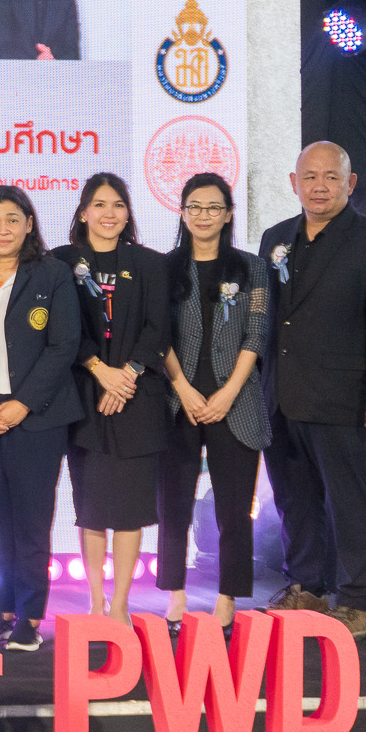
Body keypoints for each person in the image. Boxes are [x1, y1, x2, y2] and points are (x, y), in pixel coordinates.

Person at [258, 141, 366, 641]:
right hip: (282, 397)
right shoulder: (276, 238)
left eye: (331, 177)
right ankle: (306, 587)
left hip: (347, 400)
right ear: (294, 183)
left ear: (350, 184)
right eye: (310, 177)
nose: (319, 186)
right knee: (295, 501)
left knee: (352, 502)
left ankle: (359, 602)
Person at [0, 185, 82, 652]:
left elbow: (64, 345)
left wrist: (23, 402)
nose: (2, 228)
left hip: (36, 415)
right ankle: (3, 610)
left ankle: (29, 617)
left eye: (12, 219)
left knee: (31, 521)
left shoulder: (53, 273)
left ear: (29, 224)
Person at [50, 173, 171, 623]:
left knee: (130, 509)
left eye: (118, 205)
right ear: (83, 212)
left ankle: (120, 601)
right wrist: (100, 370)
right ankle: (95, 599)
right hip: (85, 397)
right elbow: (60, 327)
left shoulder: (150, 263)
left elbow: (159, 328)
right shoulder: (61, 261)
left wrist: (127, 375)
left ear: (128, 213)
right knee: (92, 507)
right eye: (99, 204)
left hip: (137, 398)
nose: (109, 213)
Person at [159, 173, 271, 632]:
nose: (203, 215)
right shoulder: (164, 268)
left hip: (235, 402)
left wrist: (228, 393)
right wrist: (184, 388)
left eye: (213, 207)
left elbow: (257, 333)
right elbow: (157, 336)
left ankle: (227, 599)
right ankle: (175, 595)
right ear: (183, 212)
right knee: (173, 506)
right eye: (195, 207)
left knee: (233, 509)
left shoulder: (252, 268)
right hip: (176, 401)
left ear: (228, 214)